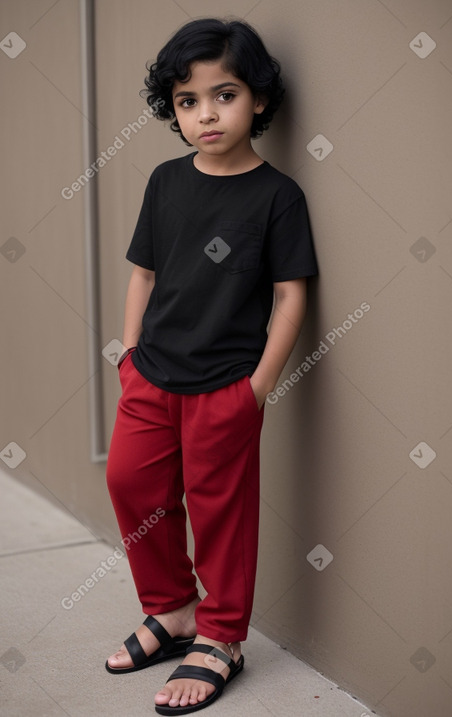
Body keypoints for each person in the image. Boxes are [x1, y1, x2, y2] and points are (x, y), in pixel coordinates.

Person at [105, 17, 318, 715]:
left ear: (257, 98)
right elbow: (143, 273)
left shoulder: (276, 196)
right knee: (131, 482)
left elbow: (291, 297)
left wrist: (256, 389)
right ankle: (172, 612)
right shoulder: (167, 182)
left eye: (223, 95)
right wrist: (130, 355)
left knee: (220, 511)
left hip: (225, 386)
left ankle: (222, 636)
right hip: (151, 376)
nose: (205, 114)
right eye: (188, 100)